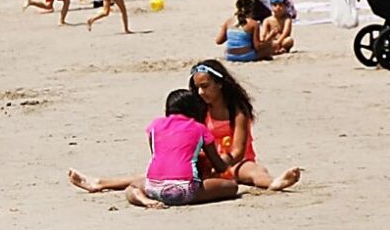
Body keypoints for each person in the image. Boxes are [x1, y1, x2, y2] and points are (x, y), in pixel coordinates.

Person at [66, 88, 238, 209]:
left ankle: (142, 199)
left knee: (131, 189)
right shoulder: (200, 129)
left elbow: (159, 157)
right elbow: (219, 165)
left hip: (155, 187)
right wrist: (227, 163)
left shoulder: (155, 126)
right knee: (231, 187)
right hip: (185, 190)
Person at [188, 60, 303, 191]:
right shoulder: (200, 111)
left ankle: (273, 183)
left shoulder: (238, 111)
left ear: (219, 84)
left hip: (235, 162)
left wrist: (221, 164)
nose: (200, 92)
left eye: (205, 86)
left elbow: (238, 151)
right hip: (210, 163)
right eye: (197, 87)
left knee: (254, 170)